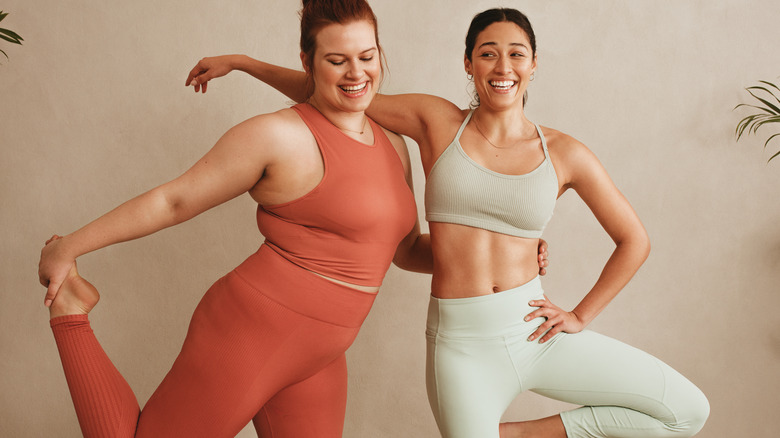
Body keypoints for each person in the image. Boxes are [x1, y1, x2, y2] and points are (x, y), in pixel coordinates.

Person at [187, 6, 710, 438]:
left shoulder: (566, 153)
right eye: (487, 53)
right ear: (468, 63)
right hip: (461, 346)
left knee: (688, 412)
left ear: (533, 65)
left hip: (533, 330)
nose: (502, 65)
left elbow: (633, 240)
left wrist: (581, 314)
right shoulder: (436, 121)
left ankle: (518, 435)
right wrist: (243, 62)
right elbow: (338, 92)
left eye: (516, 53)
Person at [37, 1, 546, 436]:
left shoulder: (392, 143)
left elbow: (405, 251)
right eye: (337, 60)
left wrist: (512, 252)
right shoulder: (277, 135)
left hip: (321, 353)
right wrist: (70, 247)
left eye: (367, 57)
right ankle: (72, 313)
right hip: (252, 330)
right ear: (308, 61)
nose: (356, 73)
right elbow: (174, 201)